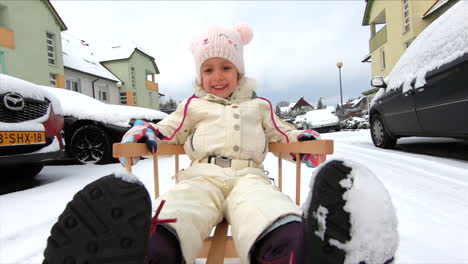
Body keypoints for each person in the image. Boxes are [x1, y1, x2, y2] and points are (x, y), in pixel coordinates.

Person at [43, 24, 398, 264]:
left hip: (249, 176)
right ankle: (147, 255)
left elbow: (283, 134)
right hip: (201, 175)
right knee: (182, 209)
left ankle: (297, 253)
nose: (217, 77)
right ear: (200, 75)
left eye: (225, 68)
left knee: (265, 208)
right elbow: (168, 129)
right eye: (208, 69)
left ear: (239, 72)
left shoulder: (260, 106)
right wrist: (145, 134)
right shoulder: (192, 106)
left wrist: (302, 143)